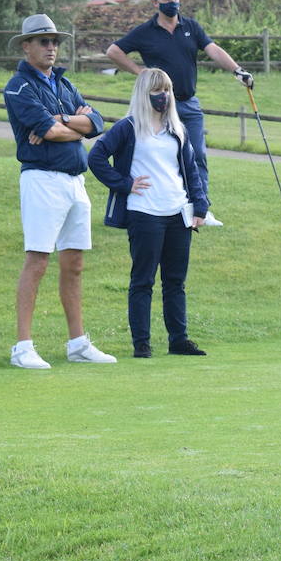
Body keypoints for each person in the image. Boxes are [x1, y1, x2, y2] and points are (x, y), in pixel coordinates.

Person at [3, 14, 116, 368]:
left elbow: (96, 122)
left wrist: (64, 120)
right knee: (38, 260)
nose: (51, 47)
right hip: (42, 178)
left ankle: (77, 343)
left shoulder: (65, 85)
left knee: (75, 261)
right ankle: (22, 347)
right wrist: (72, 124)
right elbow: (46, 132)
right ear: (26, 46)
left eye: (54, 41)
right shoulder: (18, 87)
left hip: (74, 180)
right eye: (43, 41)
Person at [105, 0, 253, 225]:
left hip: (188, 103)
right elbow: (113, 51)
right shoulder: (145, 32)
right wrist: (139, 71)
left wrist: (238, 71)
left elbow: (213, 50)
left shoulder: (191, 28)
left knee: (197, 155)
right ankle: (145, 206)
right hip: (157, 106)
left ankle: (200, 209)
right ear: (155, 2)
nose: (172, 2)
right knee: (154, 156)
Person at [88, 68, 210, 358]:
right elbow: (96, 156)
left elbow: (191, 169)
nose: (163, 97)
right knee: (143, 280)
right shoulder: (128, 128)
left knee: (175, 281)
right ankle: (141, 343)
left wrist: (200, 204)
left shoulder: (177, 130)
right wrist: (125, 184)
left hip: (177, 212)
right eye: (157, 91)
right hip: (144, 213)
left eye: (166, 90)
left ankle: (178, 339)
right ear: (144, 94)